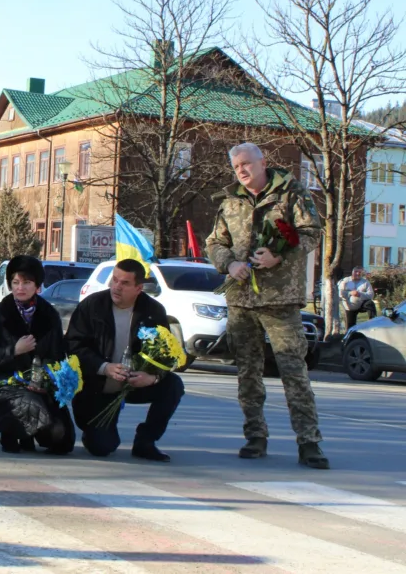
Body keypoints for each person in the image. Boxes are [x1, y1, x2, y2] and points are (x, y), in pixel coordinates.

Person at [206, 142, 328, 469]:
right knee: (248, 372)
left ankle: (309, 442)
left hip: (280, 298)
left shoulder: (291, 193)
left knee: (293, 370)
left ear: (262, 163)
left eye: (247, 163)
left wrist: (279, 256)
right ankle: (255, 435)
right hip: (241, 298)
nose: (242, 170)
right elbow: (215, 242)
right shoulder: (231, 200)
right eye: (236, 166)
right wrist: (230, 264)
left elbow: (311, 233)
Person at [65, 259, 184, 462]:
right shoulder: (92, 306)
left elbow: (166, 353)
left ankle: (145, 442)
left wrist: (153, 376)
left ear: (139, 288)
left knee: (173, 385)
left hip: (134, 385)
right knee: (102, 447)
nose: (117, 287)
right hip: (97, 388)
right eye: (114, 280)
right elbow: (73, 346)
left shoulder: (153, 311)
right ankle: (95, 431)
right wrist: (104, 367)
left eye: (125, 283)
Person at [0, 255, 74, 454]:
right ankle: (10, 432)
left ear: (37, 286)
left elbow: (57, 356)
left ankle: (26, 432)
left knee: (62, 439)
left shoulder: (49, 315)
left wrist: (46, 381)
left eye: (27, 282)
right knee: (36, 410)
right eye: (16, 282)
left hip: (39, 387)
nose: (20, 288)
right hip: (4, 384)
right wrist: (14, 351)